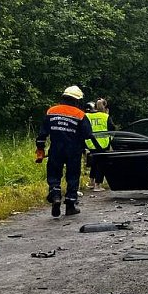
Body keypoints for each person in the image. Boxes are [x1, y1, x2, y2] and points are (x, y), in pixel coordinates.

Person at [36, 86, 102, 217]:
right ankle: (70, 204)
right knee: (72, 175)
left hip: (56, 148)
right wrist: (97, 149)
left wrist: (40, 149)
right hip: (74, 150)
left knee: (54, 173)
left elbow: (43, 134)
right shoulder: (79, 114)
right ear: (77, 100)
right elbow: (88, 134)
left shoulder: (51, 111)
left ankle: (55, 195)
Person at [84, 98, 114, 191]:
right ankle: (98, 185)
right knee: (101, 164)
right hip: (103, 144)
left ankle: (91, 182)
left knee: (94, 163)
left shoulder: (88, 116)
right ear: (105, 107)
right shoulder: (105, 117)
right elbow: (112, 129)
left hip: (90, 143)